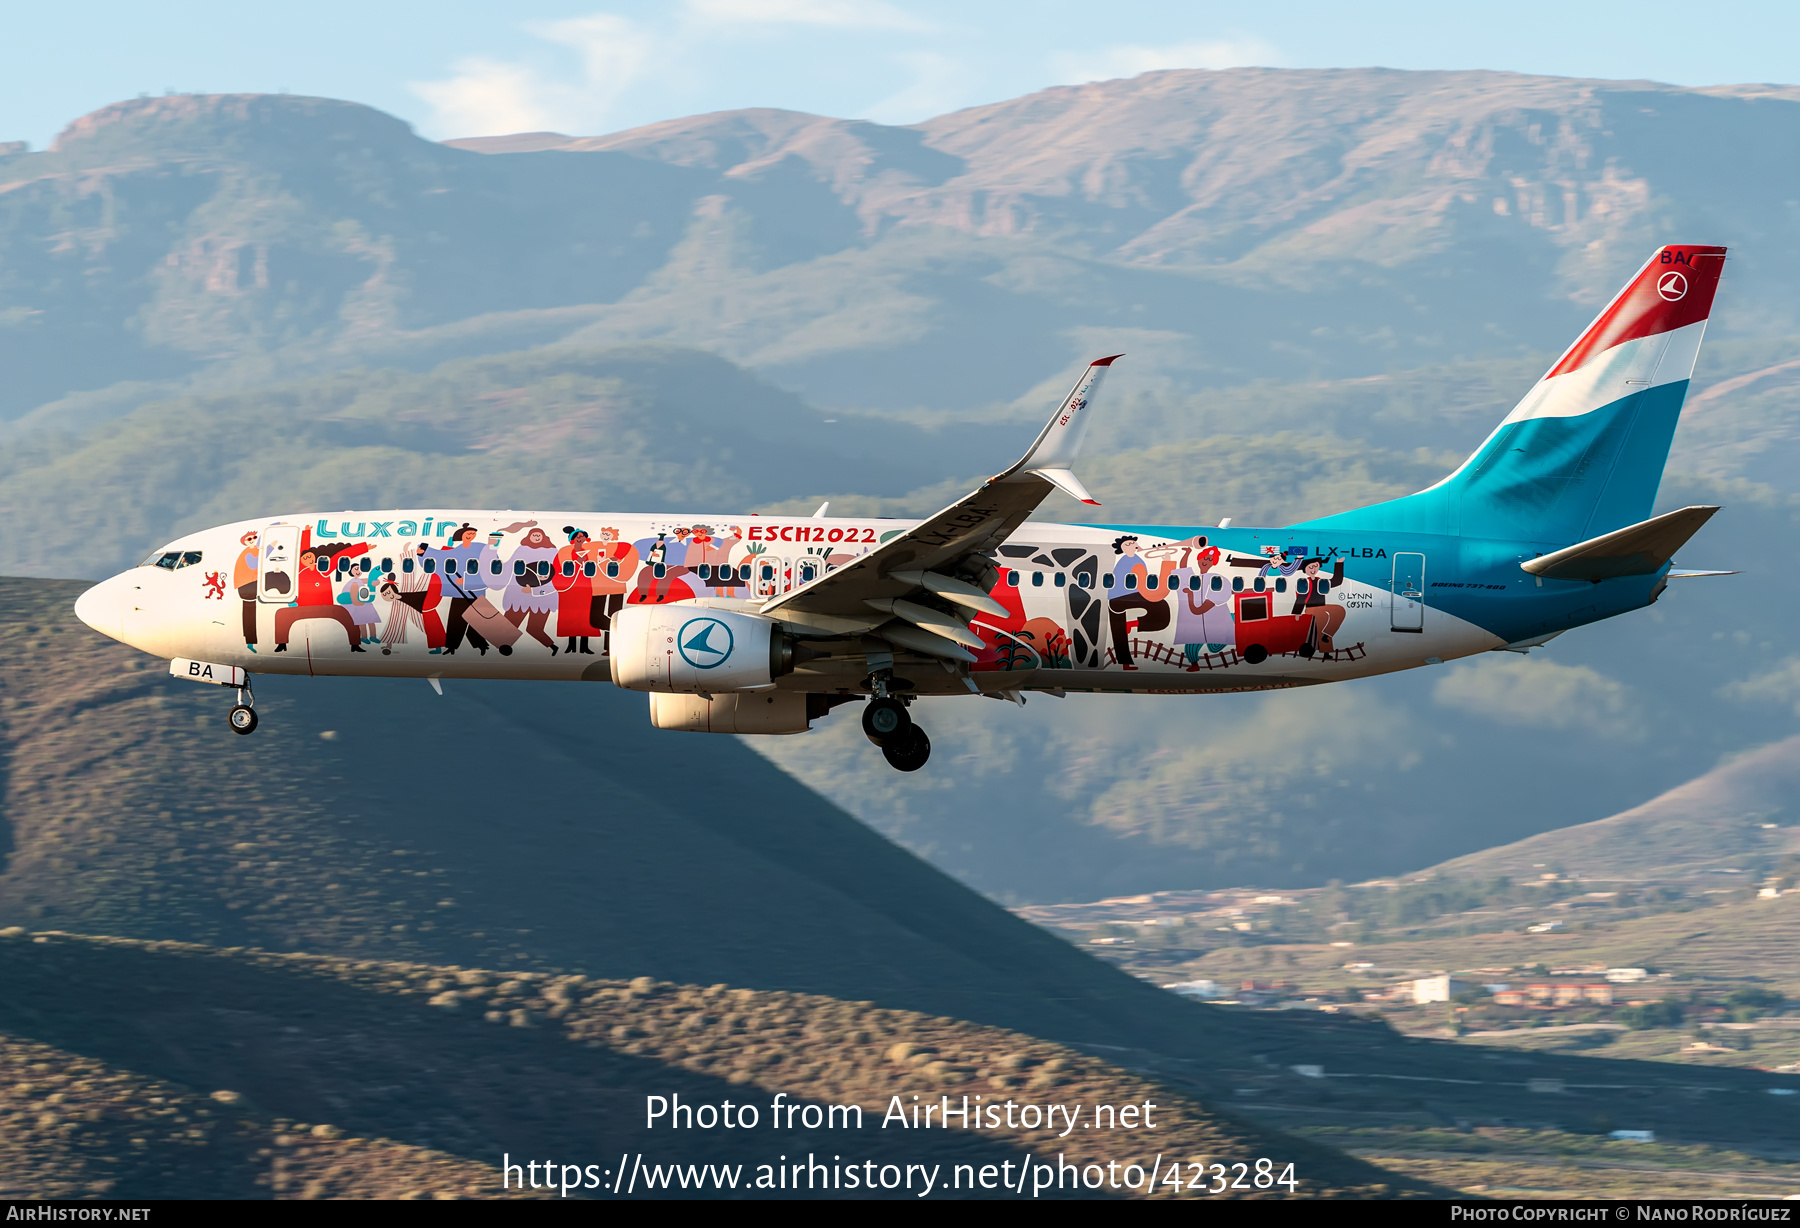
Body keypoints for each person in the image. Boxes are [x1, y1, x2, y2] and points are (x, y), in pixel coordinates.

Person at [273, 540, 367, 652]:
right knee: (281, 614)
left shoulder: (323, 569)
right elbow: (303, 548)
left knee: (347, 616)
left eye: (310, 556)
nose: (309, 559)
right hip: (303, 608)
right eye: (305, 558)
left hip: (326, 608)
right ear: (301, 560)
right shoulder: (301, 571)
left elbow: (339, 556)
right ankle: (282, 644)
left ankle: (355, 645)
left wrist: (364, 548)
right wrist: (306, 532)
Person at [431, 523, 497, 656]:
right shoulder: (458, 549)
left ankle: (481, 645)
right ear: (462, 536)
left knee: (477, 622)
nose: (471, 535)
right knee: (456, 621)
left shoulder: (481, 548)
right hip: (459, 592)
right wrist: (424, 551)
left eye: (473, 533)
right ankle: (452, 647)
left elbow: (492, 568)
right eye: (469, 534)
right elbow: (441, 556)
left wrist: (467, 581)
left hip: (475, 592)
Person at [1106, 535, 1170, 670]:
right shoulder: (1131, 561)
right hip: (1121, 598)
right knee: (1161, 607)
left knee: (1119, 632)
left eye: (1133, 543)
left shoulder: (1135, 560)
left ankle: (1125, 660)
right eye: (1127, 544)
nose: (1132, 545)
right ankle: (1125, 662)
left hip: (1123, 597)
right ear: (1122, 548)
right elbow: (1142, 587)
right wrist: (1167, 564)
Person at [502, 525, 561, 654]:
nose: (536, 537)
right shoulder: (521, 550)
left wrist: (534, 591)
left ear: (543, 537)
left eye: (538, 535)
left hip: (542, 599)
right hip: (518, 596)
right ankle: (504, 648)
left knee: (534, 629)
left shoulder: (552, 552)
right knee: (507, 626)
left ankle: (553, 647)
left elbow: (555, 582)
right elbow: (508, 568)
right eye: (533, 535)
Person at [552, 527, 601, 655]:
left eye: (581, 536)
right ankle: (571, 646)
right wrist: (577, 562)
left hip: (585, 588)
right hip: (570, 589)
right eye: (577, 537)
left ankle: (584, 646)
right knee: (570, 618)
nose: (579, 539)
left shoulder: (589, 552)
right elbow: (556, 570)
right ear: (572, 539)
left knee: (585, 618)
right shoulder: (565, 553)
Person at [1290, 557, 1348, 655]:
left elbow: (1336, 581)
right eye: (1310, 567)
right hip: (1311, 608)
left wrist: (1339, 564)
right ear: (1305, 570)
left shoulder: (1321, 581)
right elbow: (1301, 597)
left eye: (1315, 567)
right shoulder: (1305, 582)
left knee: (1339, 610)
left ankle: (1327, 633)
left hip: (1322, 606)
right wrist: (1297, 612)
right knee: (1322, 620)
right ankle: (1326, 652)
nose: (1313, 570)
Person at [395, 541, 445, 652]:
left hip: (430, 601)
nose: (418, 552)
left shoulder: (434, 574)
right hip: (429, 602)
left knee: (430, 618)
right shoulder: (430, 571)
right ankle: (438, 646)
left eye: (420, 550)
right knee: (430, 621)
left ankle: (439, 645)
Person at [230, 529, 259, 652]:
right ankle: (250, 642)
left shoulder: (256, 550)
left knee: (249, 613)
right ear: (245, 542)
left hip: (252, 583)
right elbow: (253, 565)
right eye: (249, 539)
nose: (252, 540)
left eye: (254, 538)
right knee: (249, 613)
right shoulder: (248, 552)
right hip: (247, 585)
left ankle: (250, 641)